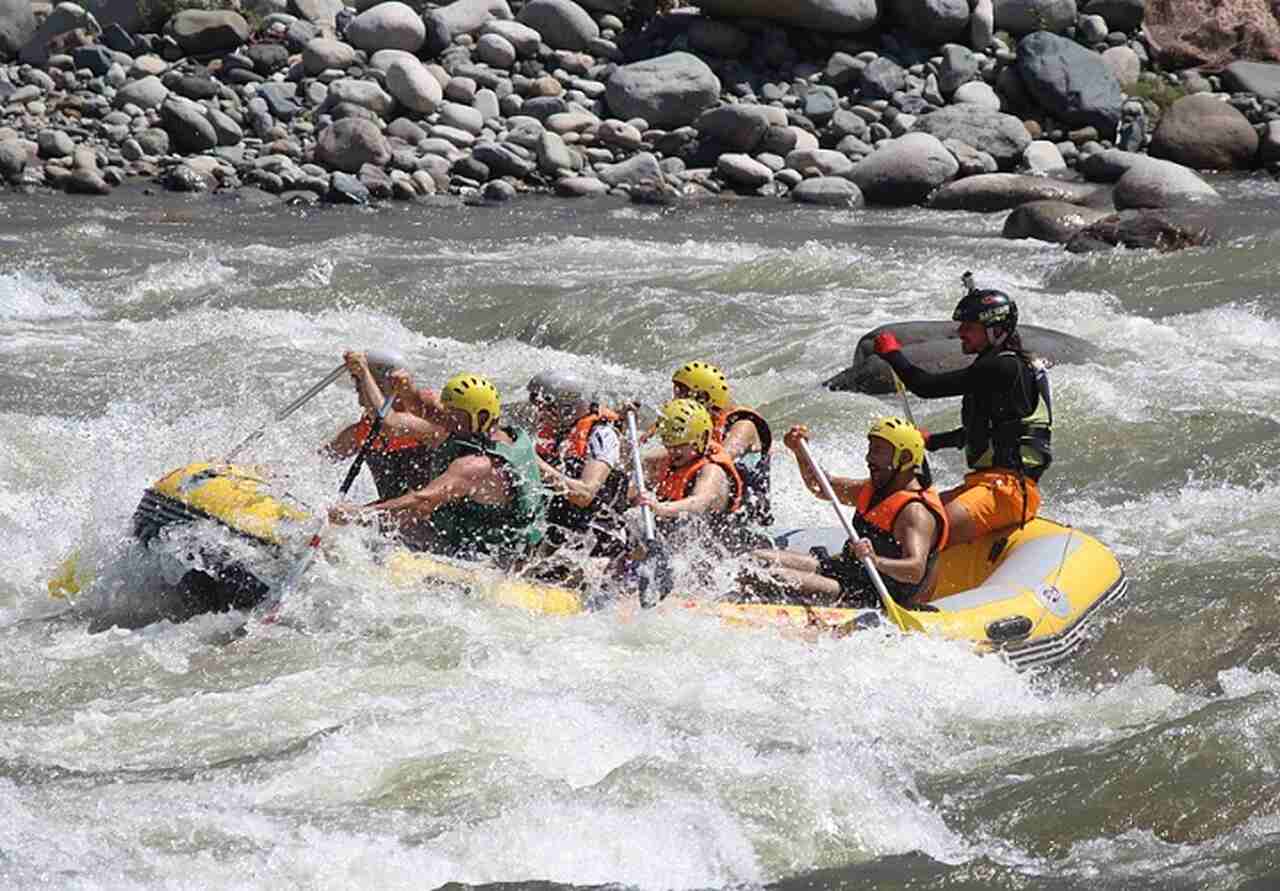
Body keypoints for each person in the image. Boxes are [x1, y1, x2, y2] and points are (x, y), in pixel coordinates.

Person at [872, 273, 1053, 545]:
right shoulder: (1002, 369)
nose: (960, 333)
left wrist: (892, 354)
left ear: (995, 330)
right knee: (893, 515)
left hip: (1007, 491)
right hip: (985, 485)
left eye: (969, 327)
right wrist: (932, 441)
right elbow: (983, 431)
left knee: (918, 530)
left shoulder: (1002, 367)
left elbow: (926, 386)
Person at [329, 372, 546, 567]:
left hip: (489, 556)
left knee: (392, 526)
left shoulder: (474, 466)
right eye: (447, 411)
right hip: (507, 540)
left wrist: (358, 515)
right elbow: (424, 408)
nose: (445, 419)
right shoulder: (511, 436)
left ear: (479, 417)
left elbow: (421, 501)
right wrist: (406, 387)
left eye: (454, 414)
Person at [749, 418, 949, 608]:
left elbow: (914, 570)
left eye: (878, 451)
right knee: (755, 560)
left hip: (873, 593)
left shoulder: (915, 512)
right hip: (848, 571)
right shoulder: (873, 490)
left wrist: (875, 560)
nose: (869, 458)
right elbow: (821, 487)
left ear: (904, 457)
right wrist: (800, 452)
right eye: (870, 449)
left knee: (768, 577)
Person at [527, 369, 629, 557]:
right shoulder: (555, 433)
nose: (539, 412)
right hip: (560, 527)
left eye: (546, 407)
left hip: (596, 534)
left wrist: (535, 463)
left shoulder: (602, 435)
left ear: (567, 408)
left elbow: (585, 494)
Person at [325, 350, 451, 501]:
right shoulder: (360, 432)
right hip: (390, 516)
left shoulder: (423, 420)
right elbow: (321, 460)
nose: (360, 388)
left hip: (428, 513)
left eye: (367, 383)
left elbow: (387, 424)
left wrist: (364, 373)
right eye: (359, 384)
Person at [669, 360, 774, 526]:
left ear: (704, 397)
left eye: (682, 394)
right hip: (714, 506)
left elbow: (723, 455)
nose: (676, 401)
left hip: (747, 516)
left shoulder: (744, 425)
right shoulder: (699, 425)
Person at [633, 398, 744, 538]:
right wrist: (622, 424)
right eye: (669, 445)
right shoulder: (676, 455)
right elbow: (632, 462)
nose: (673, 451)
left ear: (699, 440)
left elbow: (700, 502)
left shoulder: (712, 470)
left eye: (679, 446)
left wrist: (659, 508)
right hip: (673, 534)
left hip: (716, 546)